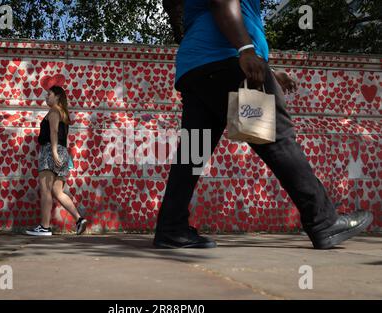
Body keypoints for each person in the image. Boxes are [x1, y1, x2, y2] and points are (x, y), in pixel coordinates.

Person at [153, 0, 373, 249]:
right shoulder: (236, 49)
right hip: (228, 63)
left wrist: (267, 66)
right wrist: (246, 50)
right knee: (277, 140)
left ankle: (171, 228)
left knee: (193, 152)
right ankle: (323, 221)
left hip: (197, 68)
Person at [26, 86, 87, 236]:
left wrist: (53, 152)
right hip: (62, 152)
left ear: (58, 96)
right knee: (57, 192)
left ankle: (44, 227)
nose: (46, 97)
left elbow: (53, 132)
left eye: (49, 94)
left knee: (46, 190)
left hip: (51, 151)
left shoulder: (54, 111)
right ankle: (79, 219)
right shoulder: (63, 113)